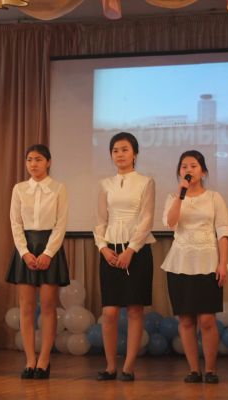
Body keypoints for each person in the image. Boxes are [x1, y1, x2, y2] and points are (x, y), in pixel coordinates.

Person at [160, 150, 228, 384]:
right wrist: (180, 196)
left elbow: (223, 231)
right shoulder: (173, 197)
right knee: (186, 320)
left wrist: (223, 263)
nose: (188, 170)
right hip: (180, 263)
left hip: (208, 262)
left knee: (207, 319)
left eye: (193, 165)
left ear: (203, 171)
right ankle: (193, 370)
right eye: (184, 166)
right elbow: (170, 223)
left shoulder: (214, 198)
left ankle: (210, 370)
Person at [93, 132, 155, 382]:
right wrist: (102, 247)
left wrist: (131, 250)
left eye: (125, 149)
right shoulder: (104, 184)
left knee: (134, 310)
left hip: (137, 251)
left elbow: (147, 219)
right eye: (115, 150)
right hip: (110, 250)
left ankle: (128, 367)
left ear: (135, 154)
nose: (120, 154)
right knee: (109, 312)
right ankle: (110, 366)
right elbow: (100, 220)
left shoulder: (146, 182)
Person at [6, 144, 70, 380]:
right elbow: (15, 223)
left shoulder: (59, 188)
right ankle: (30, 360)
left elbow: (61, 224)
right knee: (26, 307)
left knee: (49, 306)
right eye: (30, 159)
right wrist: (24, 252)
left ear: (48, 162)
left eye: (39, 159)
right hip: (26, 248)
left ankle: (44, 360)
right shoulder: (19, 189)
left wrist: (48, 253)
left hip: (49, 248)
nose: (33, 164)